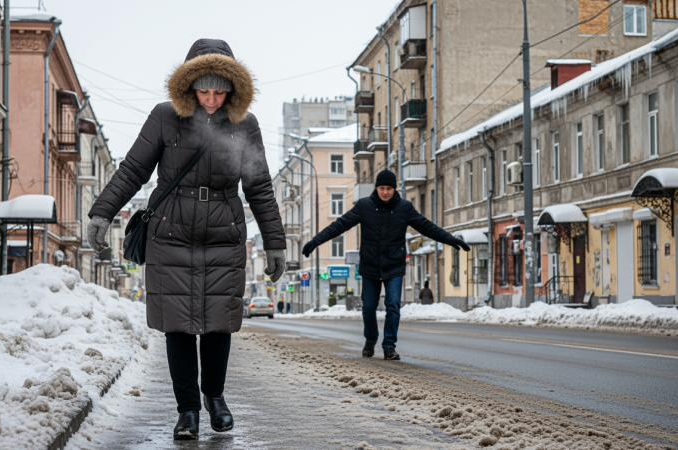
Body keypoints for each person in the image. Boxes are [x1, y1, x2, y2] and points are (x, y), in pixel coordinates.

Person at [85, 39, 286, 440]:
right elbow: (132, 170)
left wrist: (275, 240)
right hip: (171, 232)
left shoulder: (245, 124)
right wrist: (102, 212)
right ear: (188, 86)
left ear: (233, 89)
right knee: (177, 326)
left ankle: (215, 397)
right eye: (204, 91)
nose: (211, 100)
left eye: (220, 91)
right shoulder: (164, 117)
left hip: (223, 234)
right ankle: (188, 411)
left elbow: (260, 186)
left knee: (217, 324)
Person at [302, 170, 469, 360]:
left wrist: (450, 239)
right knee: (368, 307)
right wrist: (315, 241)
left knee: (393, 304)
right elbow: (339, 225)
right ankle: (370, 339)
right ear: (376, 188)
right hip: (370, 265)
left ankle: (389, 346)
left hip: (394, 265)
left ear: (394, 189)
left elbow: (426, 226)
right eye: (381, 188)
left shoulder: (404, 208)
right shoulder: (364, 206)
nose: (385, 192)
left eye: (389, 188)